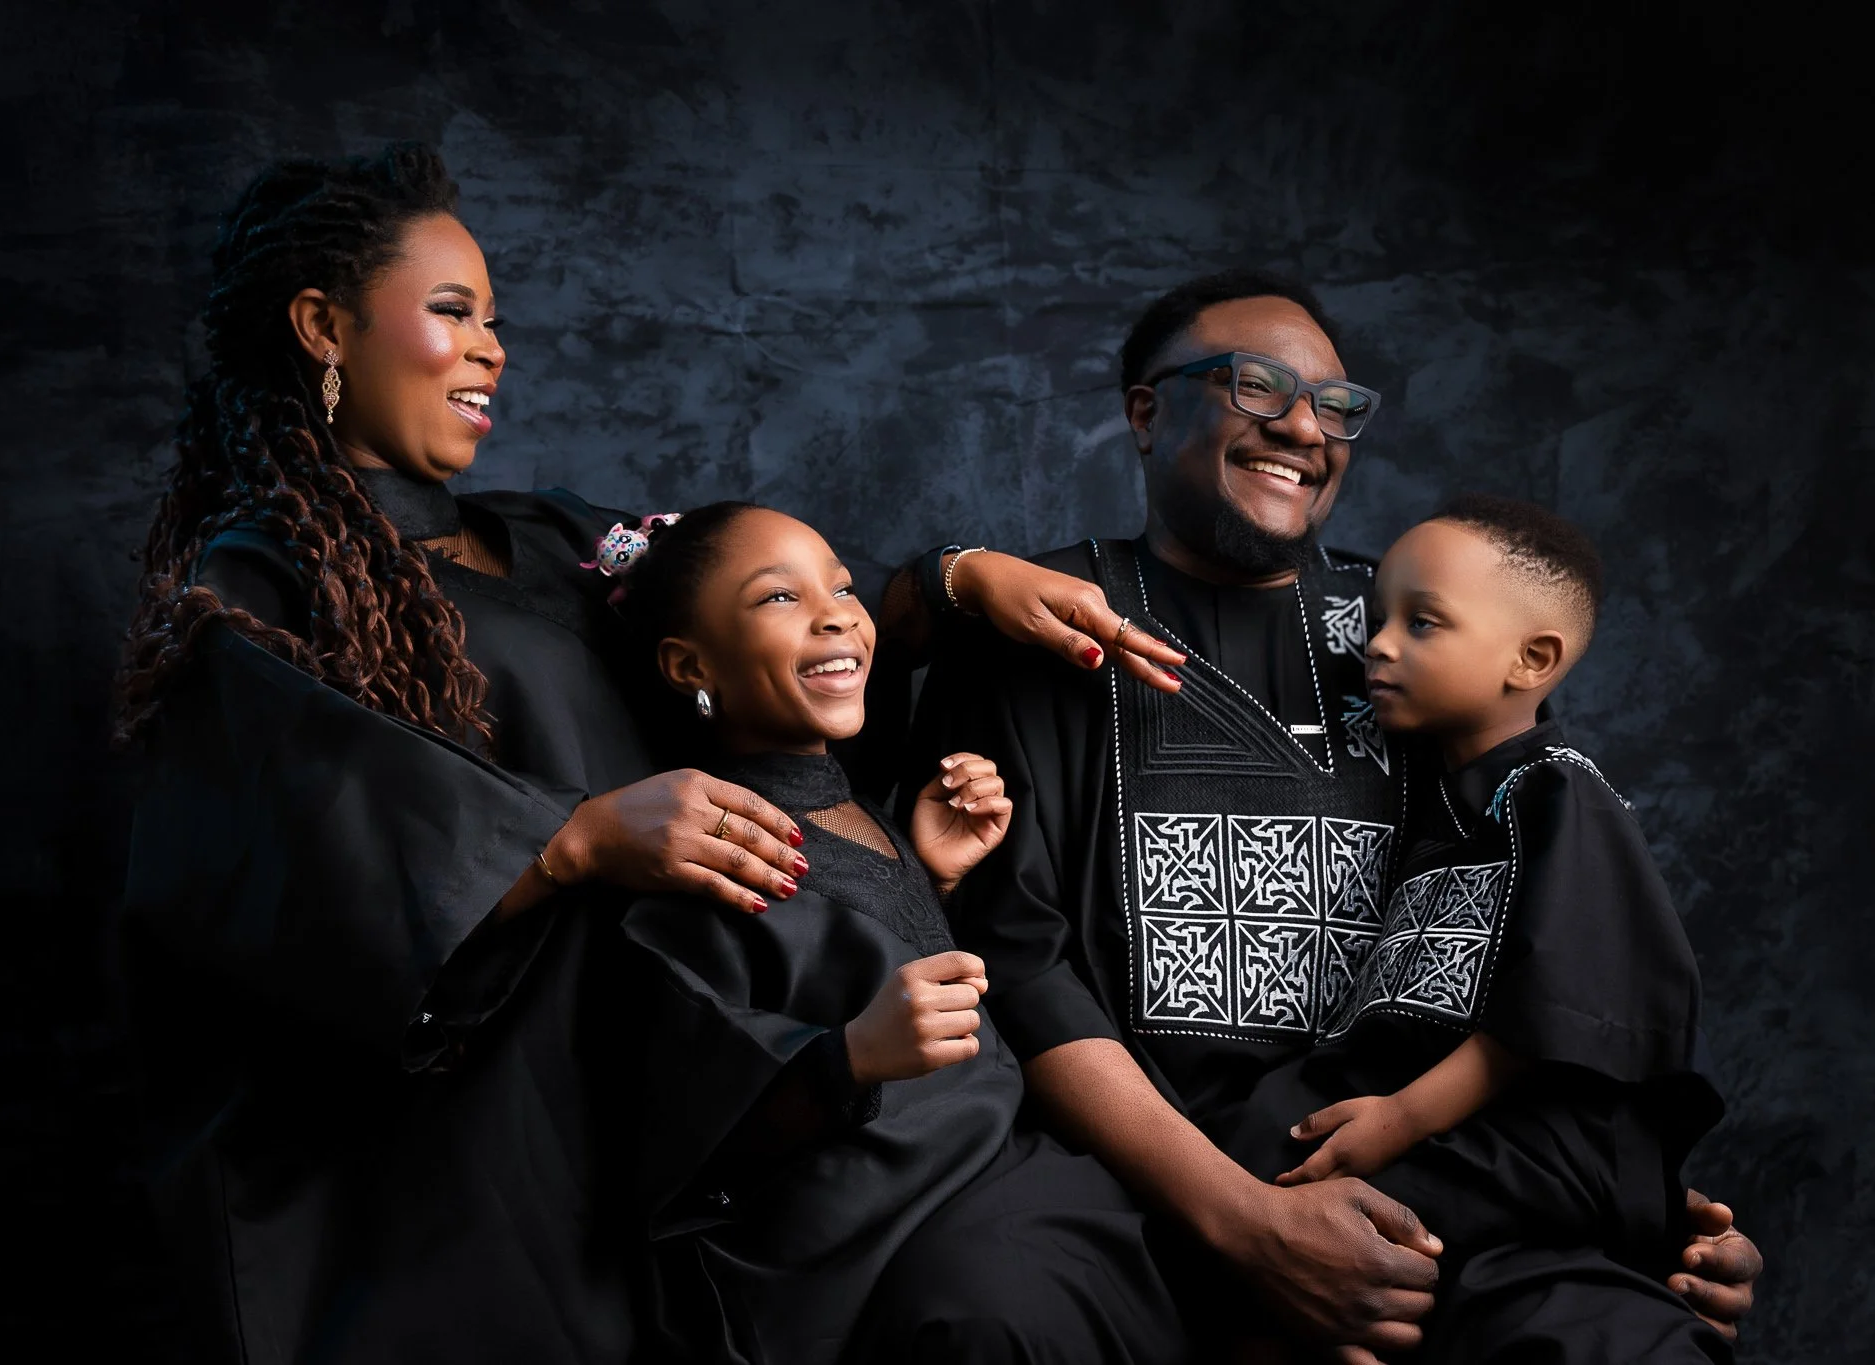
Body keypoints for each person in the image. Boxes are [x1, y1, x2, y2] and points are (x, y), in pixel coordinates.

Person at [112, 144, 1182, 1365]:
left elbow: (757, 624)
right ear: (323, 326)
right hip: (474, 1141)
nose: (492, 347)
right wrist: (574, 842)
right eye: (451, 313)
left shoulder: (551, 537)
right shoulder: (254, 594)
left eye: (494, 319)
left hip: (679, 1075)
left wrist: (954, 583)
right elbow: (286, 875)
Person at [909, 270, 1763, 1361]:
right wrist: (1239, 1217)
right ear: (1143, 410)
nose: (1303, 429)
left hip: (1408, 1163)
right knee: (979, 1304)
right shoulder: (1041, 625)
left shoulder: (1421, 641)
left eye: (1333, 403)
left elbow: (1547, 948)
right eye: (1257, 387)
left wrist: (1647, 1213)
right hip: (1126, 1174)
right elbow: (1017, 966)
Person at [610, 502, 1188, 1365]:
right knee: (998, 1315)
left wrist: (935, 875)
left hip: (999, 1174)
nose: (837, 612)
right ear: (690, 663)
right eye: (779, 598)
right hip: (870, 1234)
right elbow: (688, 1101)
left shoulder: (856, 803)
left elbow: (866, 939)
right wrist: (850, 1057)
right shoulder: (707, 846)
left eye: (843, 588)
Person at [1210, 494, 1727, 1358]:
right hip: (1469, 1130)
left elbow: (1556, 1005)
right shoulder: (1447, 800)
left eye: (1424, 623)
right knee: (1251, 1151)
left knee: (1296, 1192)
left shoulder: (1557, 792)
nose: (1378, 643)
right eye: (1378, 620)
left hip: (1542, 1142)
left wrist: (1404, 1115)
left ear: (1530, 658)